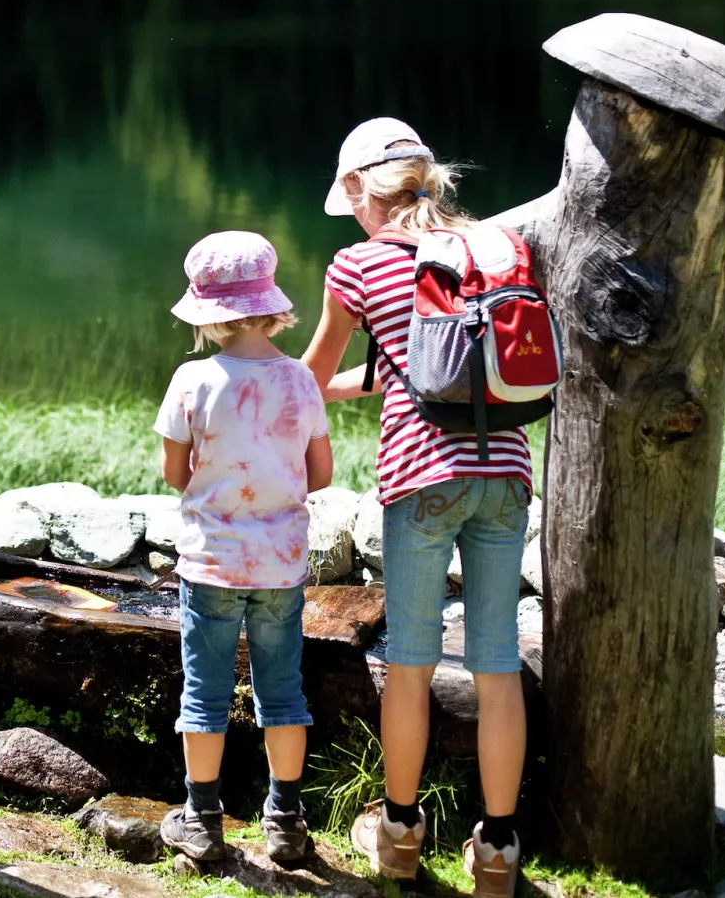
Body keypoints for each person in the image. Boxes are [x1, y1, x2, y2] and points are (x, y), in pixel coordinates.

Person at [301, 119, 532, 898]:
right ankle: (498, 850)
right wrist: (353, 387)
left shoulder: (359, 262)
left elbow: (312, 375)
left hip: (420, 478)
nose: (354, 215)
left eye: (353, 201)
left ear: (364, 189)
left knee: (411, 663)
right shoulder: (492, 247)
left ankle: (400, 834)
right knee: (498, 665)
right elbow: (443, 362)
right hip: (504, 471)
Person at [153, 230, 333, 864]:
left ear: (207, 313)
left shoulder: (192, 379)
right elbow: (324, 473)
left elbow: (176, 475)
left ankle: (201, 819)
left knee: (203, 692)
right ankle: (285, 819)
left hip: (210, 561)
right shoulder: (300, 381)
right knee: (283, 691)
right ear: (270, 304)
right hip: (281, 564)